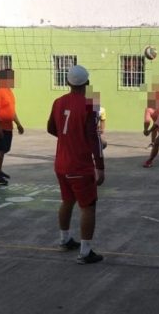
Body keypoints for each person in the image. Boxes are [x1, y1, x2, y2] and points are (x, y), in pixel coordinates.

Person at [47, 65, 105, 264]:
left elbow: (51, 128)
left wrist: (70, 137)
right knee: (88, 207)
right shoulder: (91, 102)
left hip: (61, 164)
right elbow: (93, 136)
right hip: (80, 165)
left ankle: (64, 240)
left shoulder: (58, 102)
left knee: (67, 200)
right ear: (87, 83)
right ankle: (85, 252)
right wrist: (100, 166)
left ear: (68, 83)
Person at [0, 68, 24, 186]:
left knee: (5, 148)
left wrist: (18, 124)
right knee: (0, 149)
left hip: (7, 125)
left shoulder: (8, 91)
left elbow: (11, 111)